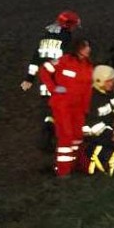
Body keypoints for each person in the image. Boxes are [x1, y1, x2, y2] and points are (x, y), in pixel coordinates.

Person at [21, 10, 81, 152]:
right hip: (61, 84)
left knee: (47, 110)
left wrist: (29, 79)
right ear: (69, 25)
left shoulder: (45, 38)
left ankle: (46, 137)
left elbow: (35, 59)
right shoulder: (66, 39)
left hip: (46, 84)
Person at [38, 37, 93, 177]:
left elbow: (87, 90)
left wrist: (85, 109)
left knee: (77, 137)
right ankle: (63, 171)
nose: (89, 49)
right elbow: (44, 70)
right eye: (86, 46)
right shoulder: (64, 61)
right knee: (66, 136)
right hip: (62, 106)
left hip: (78, 108)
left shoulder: (88, 66)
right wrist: (54, 88)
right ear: (79, 48)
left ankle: (74, 165)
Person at [83, 65, 114, 176]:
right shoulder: (91, 98)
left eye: (112, 81)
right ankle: (110, 161)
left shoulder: (109, 94)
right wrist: (112, 134)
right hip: (94, 136)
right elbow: (93, 125)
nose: (111, 84)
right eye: (108, 81)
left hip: (110, 131)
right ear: (99, 81)